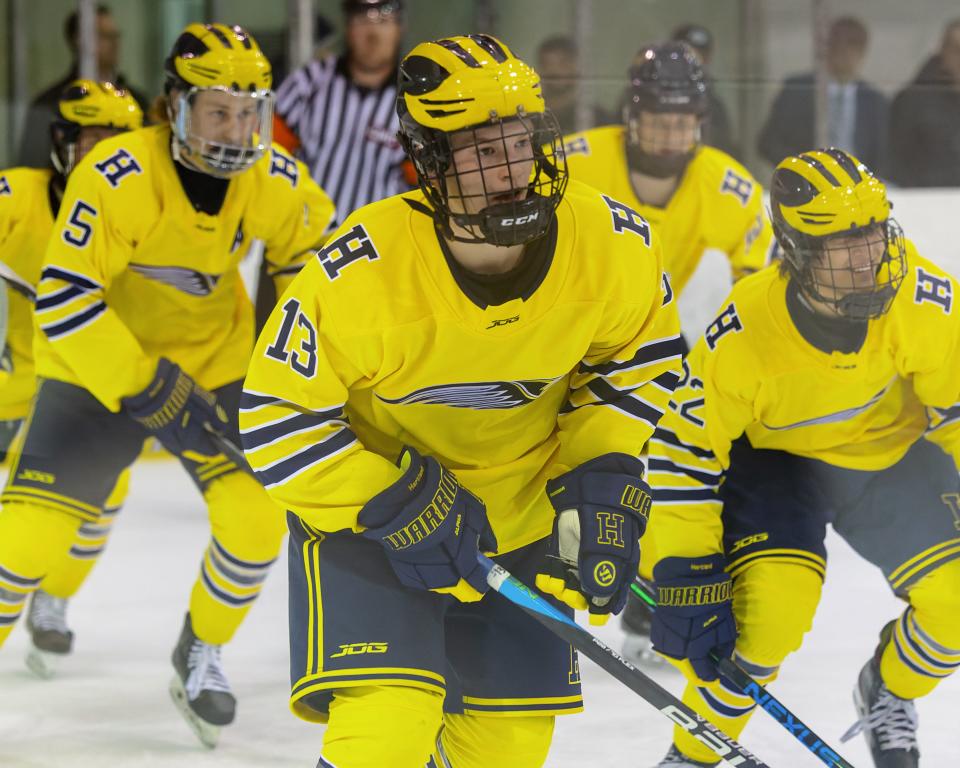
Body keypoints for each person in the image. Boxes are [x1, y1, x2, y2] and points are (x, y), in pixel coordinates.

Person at [241, 34, 682, 767]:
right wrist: (392, 499)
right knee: (387, 730)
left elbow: (643, 366)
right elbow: (273, 421)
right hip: (373, 525)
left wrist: (602, 476)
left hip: (518, 521)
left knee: (505, 749)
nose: (511, 172)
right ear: (431, 164)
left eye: (520, 144)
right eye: (482, 153)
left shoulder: (613, 244)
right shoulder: (362, 271)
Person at [0, 23, 334, 748]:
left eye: (249, 111)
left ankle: (200, 651)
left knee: (255, 520)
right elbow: (65, 299)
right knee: (20, 542)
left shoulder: (271, 176)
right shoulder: (116, 173)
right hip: (96, 375)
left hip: (216, 368)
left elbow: (314, 269)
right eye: (218, 110)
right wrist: (145, 383)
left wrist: (293, 360)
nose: (237, 130)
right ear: (172, 107)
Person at [643, 148, 960, 767]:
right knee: (768, 620)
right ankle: (693, 757)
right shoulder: (742, 333)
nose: (868, 253)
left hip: (887, 458)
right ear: (796, 250)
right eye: (844, 240)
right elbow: (685, 455)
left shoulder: (923, 300)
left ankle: (888, 693)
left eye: (873, 231)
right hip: (777, 468)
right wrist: (680, 566)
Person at [0, 80, 142, 678]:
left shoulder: (141, 212)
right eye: (93, 139)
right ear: (62, 142)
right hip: (9, 384)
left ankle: (53, 598)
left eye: (117, 142)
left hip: (76, 396)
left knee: (104, 499)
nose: (104, 154)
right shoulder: (14, 195)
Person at [272, 0, 409, 229]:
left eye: (384, 22)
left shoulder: (412, 101)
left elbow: (426, 187)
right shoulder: (309, 82)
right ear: (348, 28)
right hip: (304, 239)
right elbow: (267, 159)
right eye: (362, 20)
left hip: (377, 246)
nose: (373, 33)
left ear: (399, 29)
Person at [17, 4, 149, 169]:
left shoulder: (137, 102)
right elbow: (32, 165)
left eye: (116, 35)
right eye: (104, 35)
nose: (114, 42)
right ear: (79, 40)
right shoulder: (50, 103)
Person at [757, 17, 887, 176]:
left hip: (858, 189)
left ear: (863, 52)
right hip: (805, 186)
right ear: (828, 48)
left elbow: (884, 157)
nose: (846, 53)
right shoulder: (797, 90)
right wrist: (801, 170)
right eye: (840, 45)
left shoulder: (875, 102)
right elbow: (768, 143)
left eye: (854, 46)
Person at [889, 18, 960, 187]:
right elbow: (895, 162)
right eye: (958, 50)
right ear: (944, 53)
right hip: (926, 201)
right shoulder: (913, 101)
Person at [670, 24, 738, 158]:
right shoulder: (646, 95)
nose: (693, 62)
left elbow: (723, 150)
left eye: (699, 56)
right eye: (685, 55)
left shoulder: (714, 106)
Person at [536, 35, 612, 135]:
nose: (554, 70)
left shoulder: (598, 119)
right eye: (547, 64)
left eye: (563, 63)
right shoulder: (530, 119)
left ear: (579, 68)